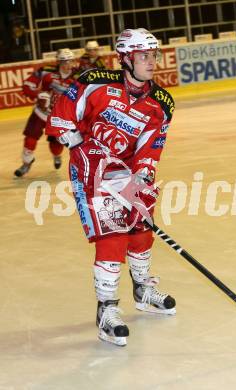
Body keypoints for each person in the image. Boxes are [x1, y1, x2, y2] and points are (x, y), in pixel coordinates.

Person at [45, 28, 176, 347]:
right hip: (91, 171)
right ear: (126, 59)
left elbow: (151, 145)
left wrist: (143, 174)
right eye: (144, 56)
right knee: (112, 236)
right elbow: (61, 118)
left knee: (143, 229)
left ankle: (143, 289)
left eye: (153, 55)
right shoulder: (94, 83)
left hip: (127, 172)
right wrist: (80, 146)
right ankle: (107, 311)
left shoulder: (161, 103)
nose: (151, 62)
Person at [14, 48, 77, 177]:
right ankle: (26, 163)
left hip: (60, 116)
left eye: (70, 61)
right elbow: (27, 86)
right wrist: (38, 94)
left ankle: (57, 155)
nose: (67, 65)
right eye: (63, 62)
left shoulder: (79, 77)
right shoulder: (45, 71)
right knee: (30, 139)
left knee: (56, 143)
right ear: (58, 62)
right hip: (40, 112)